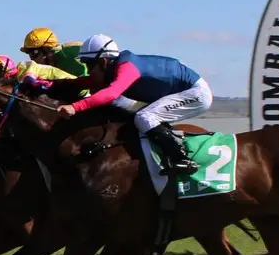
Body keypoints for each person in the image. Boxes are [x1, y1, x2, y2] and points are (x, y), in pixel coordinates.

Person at [51, 34, 213, 174]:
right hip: (179, 91)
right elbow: (85, 82)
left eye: (89, 64)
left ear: (104, 62)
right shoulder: (112, 69)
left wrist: (75, 107)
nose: (88, 69)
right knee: (137, 118)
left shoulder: (127, 68)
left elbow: (111, 93)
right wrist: (50, 84)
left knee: (145, 117)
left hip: (196, 93)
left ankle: (182, 159)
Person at [20, 28, 88, 77]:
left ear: (46, 50)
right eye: (29, 53)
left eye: (33, 53)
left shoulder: (69, 56)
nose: (32, 59)